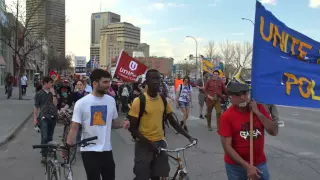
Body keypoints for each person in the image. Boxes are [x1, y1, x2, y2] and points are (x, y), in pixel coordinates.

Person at [127, 69, 197, 180]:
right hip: (144, 144)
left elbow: (173, 122)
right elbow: (132, 128)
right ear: (147, 81)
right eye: (153, 79)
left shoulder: (163, 100)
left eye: (158, 78)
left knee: (158, 175)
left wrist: (189, 136)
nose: (156, 81)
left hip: (160, 143)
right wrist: (149, 143)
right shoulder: (139, 101)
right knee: (142, 176)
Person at [65, 69, 129, 180]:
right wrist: (67, 147)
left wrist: (122, 124)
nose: (108, 85)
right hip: (89, 150)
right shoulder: (82, 103)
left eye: (109, 82)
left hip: (106, 150)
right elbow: (74, 129)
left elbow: (112, 123)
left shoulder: (111, 101)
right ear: (94, 83)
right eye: (105, 82)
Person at [219, 83, 278, 180]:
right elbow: (227, 146)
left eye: (244, 93)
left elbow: (274, 131)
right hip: (236, 166)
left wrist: (257, 113)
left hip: (259, 163)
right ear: (231, 97)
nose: (242, 97)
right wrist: (247, 166)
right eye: (237, 95)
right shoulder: (226, 116)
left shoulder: (258, 108)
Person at [33, 76, 58, 164]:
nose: (52, 84)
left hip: (53, 117)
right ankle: (44, 155)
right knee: (44, 136)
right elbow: (36, 106)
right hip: (43, 117)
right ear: (45, 83)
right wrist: (35, 118)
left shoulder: (53, 93)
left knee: (50, 136)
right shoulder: (39, 94)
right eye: (50, 83)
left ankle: (50, 152)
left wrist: (54, 94)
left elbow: (55, 104)